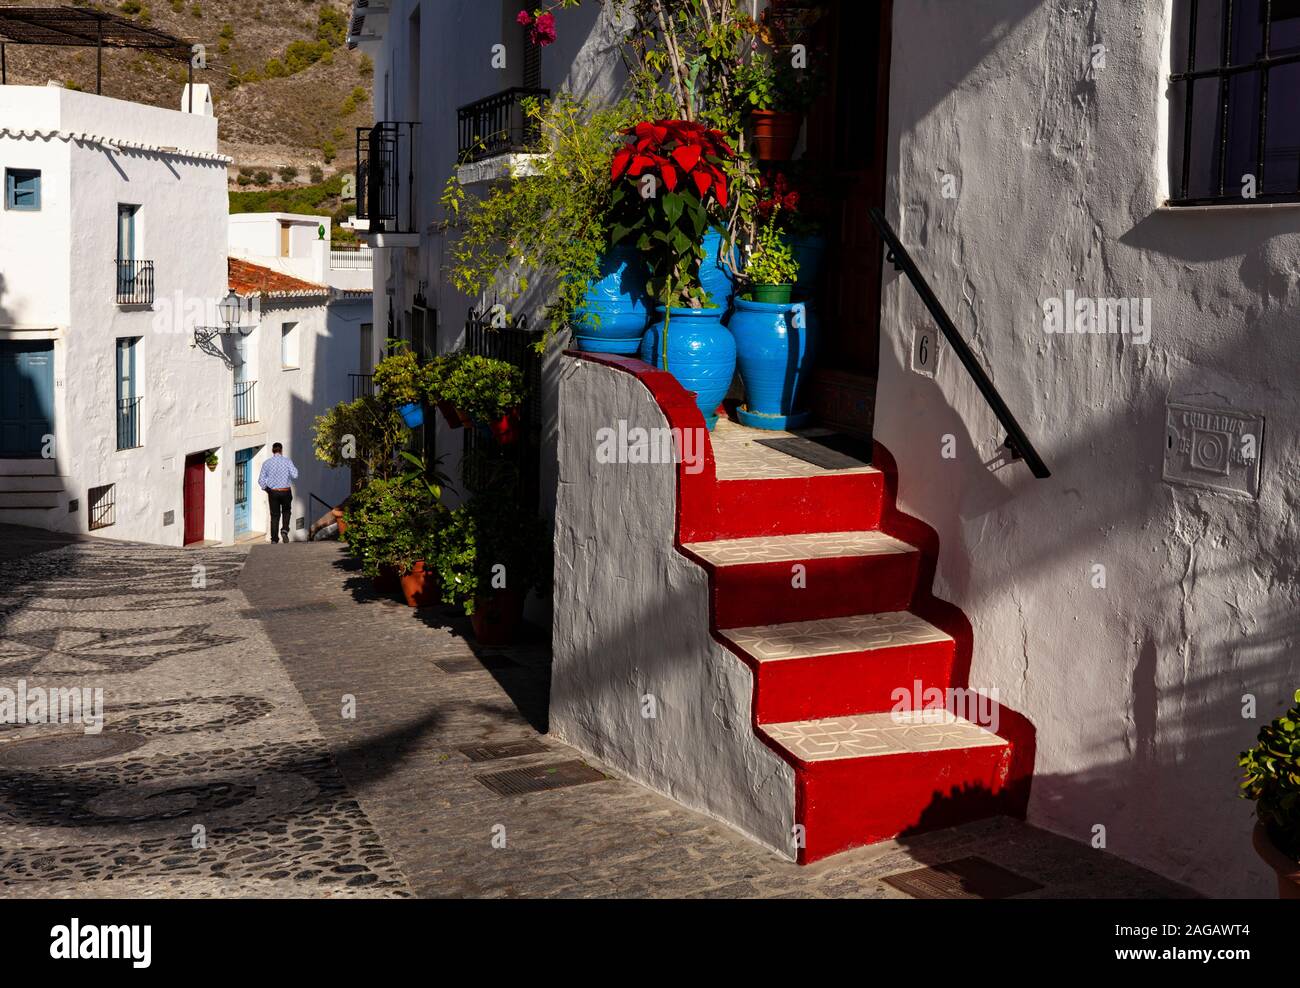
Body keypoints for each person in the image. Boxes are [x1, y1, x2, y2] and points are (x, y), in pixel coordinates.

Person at [258, 442, 298, 544]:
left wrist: (267, 489)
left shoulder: (266, 463)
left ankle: (274, 539)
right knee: (286, 511)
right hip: (285, 491)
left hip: (273, 492)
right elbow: (295, 475)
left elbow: (261, 480)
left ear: (273, 451)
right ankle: (284, 530)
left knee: (274, 516)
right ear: (281, 450)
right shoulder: (287, 461)